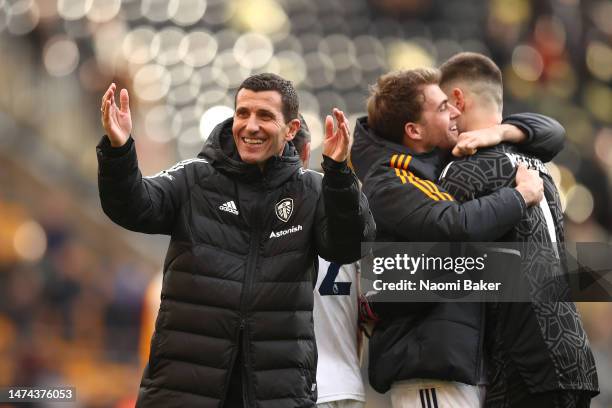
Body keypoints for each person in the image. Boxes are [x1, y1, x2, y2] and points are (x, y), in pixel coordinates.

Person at [97, 73, 375, 407]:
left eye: (265, 116)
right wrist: (119, 151)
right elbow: (131, 206)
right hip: (184, 388)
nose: (250, 125)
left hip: (275, 391)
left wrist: (339, 174)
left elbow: (347, 246)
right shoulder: (194, 179)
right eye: (242, 113)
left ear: (291, 130)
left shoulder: (312, 191)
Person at [351, 67, 567, 408]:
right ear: (414, 130)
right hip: (426, 365)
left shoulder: (438, 161)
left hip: (462, 363)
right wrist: (520, 196)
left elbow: (552, 133)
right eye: (441, 108)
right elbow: (455, 224)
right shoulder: (390, 179)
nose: (454, 111)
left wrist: (498, 132)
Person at [437, 52, 598, 407]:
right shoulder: (542, 170)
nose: (443, 118)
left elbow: (438, 251)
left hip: (523, 364)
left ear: (459, 100)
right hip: (575, 357)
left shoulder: (463, 170)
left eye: (444, 106)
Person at [293, 117, 366, 408]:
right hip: (343, 382)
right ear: (307, 149)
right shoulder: (351, 203)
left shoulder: (258, 210)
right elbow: (373, 306)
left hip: (288, 387)